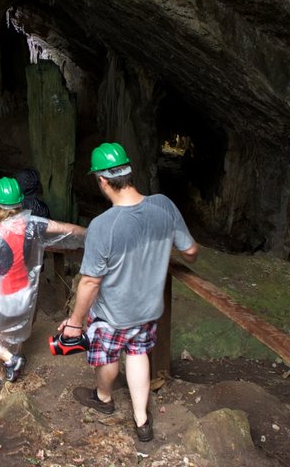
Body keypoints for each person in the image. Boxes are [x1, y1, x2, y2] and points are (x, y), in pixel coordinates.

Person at [59, 142, 199, 443]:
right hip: (148, 310)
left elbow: (90, 282)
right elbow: (190, 251)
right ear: (129, 173)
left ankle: (104, 398)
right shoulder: (164, 206)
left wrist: (75, 321)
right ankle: (142, 420)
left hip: (113, 312)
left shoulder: (102, 226)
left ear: (102, 180)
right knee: (137, 355)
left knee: (108, 355)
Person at [0, 177, 86, 387]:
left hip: (2, 300)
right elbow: (70, 229)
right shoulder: (34, 225)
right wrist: (94, 234)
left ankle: (12, 360)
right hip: (25, 298)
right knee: (7, 336)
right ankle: (4, 377)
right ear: (20, 203)